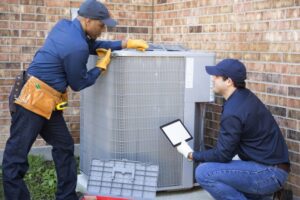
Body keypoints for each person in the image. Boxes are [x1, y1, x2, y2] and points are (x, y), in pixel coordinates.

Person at [2, 0, 148, 199]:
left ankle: (67, 196)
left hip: (47, 102)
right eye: (101, 24)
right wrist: (100, 67)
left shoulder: (65, 26)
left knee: (64, 146)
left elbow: (92, 45)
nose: (103, 29)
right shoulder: (76, 45)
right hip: (30, 101)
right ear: (88, 20)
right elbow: (78, 83)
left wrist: (124, 44)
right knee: (15, 159)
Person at [176, 59, 290, 200]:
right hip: (273, 168)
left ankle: (267, 193)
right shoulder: (244, 96)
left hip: (269, 173)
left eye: (216, 76)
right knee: (224, 168)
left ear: (229, 81)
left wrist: (191, 155)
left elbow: (222, 155)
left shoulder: (234, 111)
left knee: (203, 172)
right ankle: (267, 196)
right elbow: (230, 148)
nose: (212, 79)